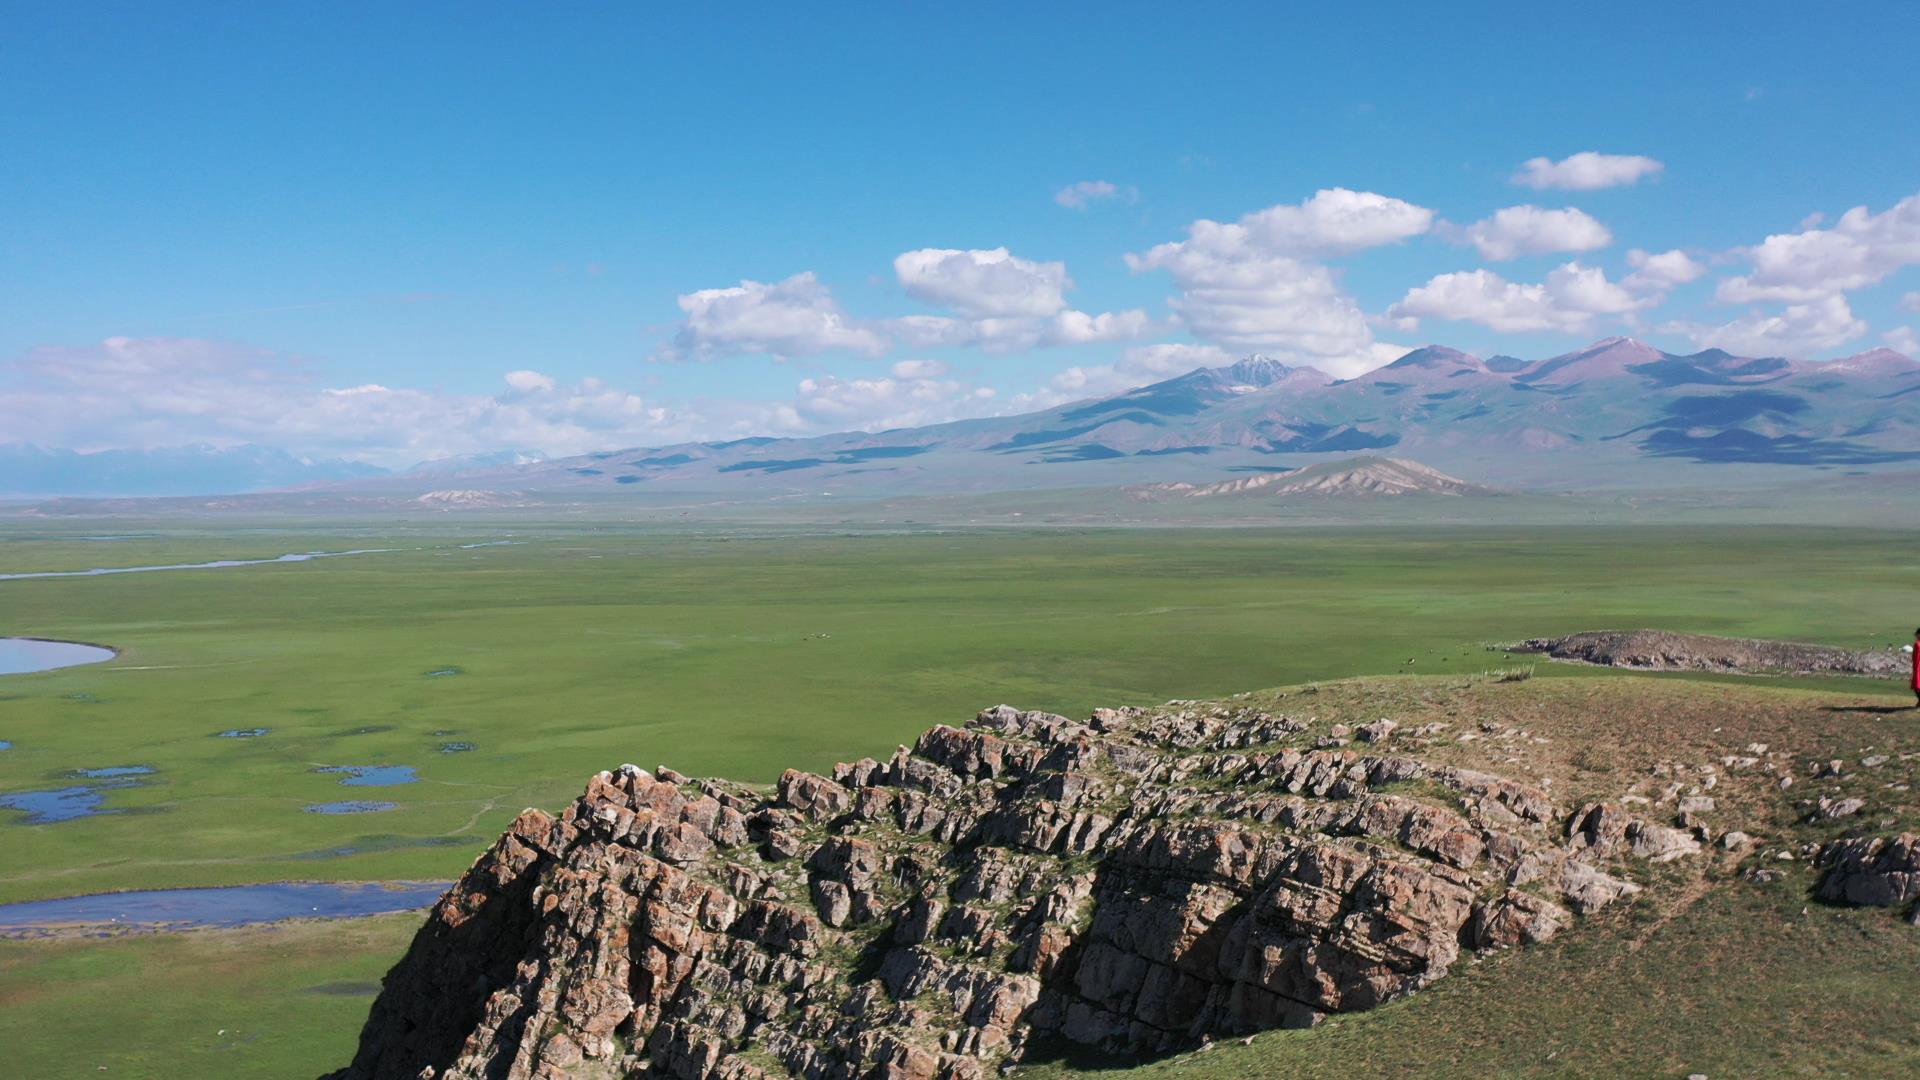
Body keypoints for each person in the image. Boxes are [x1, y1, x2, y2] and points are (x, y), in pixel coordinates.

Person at [1909, 628, 1920, 708]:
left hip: (1918, 667)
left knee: (1916, 686)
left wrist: (1915, 667)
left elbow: (1915, 657)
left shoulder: (1917, 644)